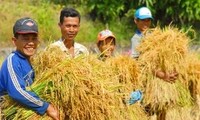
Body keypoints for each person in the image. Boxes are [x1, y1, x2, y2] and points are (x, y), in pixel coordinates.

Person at [0, 17, 59, 120]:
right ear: (14, 41)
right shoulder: (13, 61)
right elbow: (17, 92)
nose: (31, 43)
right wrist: (46, 107)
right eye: (26, 39)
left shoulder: (31, 61)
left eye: (34, 38)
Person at [130, 6, 178, 83]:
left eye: (148, 20)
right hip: (147, 78)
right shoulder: (136, 39)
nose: (146, 23)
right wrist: (161, 75)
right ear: (136, 21)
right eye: (143, 20)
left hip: (160, 76)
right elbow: (139, 62)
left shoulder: (153, 35)